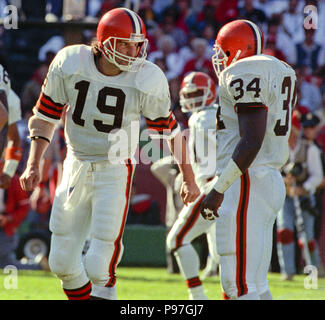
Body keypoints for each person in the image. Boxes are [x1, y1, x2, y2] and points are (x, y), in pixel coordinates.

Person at [19, 7, 200, 301]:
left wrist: (189, 178)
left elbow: (170, 132)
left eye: (137, 44)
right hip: (76, 161)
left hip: (115, 166)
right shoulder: (71, 61)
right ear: (104, 43)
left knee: (99, 264)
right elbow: (45, 116)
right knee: (61, 262)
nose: (133, 51)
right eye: (125, 43)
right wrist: (33, 163)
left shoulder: (146, 77)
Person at [200, 19, 297, 300]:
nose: (220, 57)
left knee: (237, 284)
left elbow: (251, 139)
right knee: (255, 282)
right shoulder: (280, 69)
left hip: (246, 179)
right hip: (268, 178)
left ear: (239, 50)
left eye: (223, 50)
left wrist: (218, 189)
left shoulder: (244, 71)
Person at [166, 71, 219, 300]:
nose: (193, 98)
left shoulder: (202, 118)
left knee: (177, 240)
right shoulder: (214, 114)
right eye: (190, 94)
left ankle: (197, 296)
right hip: (226, 186)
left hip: (212, 186)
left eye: (198, 93)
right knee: (230, 253)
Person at [277, 112, 324, 280]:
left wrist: (304, 188)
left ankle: (315, 267)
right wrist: (284, 180)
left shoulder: (309, 148)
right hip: (285, 195)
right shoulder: (279, 148)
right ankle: (287, 271)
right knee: (284, 232)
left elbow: (317, 175)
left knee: (306, 236)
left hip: (304, 196)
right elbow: (273, 170)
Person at [0, 60, 23, 189]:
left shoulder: (11, 100)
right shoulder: (10, 98)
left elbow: (14, 139)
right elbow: (14, 139)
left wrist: (8, 172)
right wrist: (8, 172)